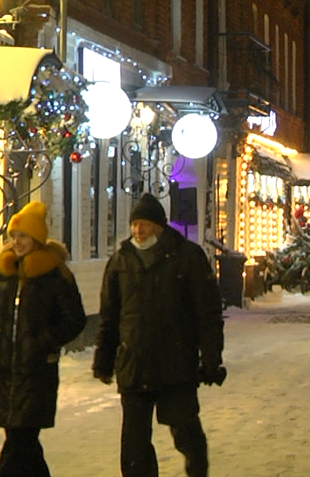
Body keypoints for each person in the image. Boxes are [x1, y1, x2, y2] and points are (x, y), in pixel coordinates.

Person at [93, 193, 225, 477]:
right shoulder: (120, 261)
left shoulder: (186, 257)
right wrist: (104, 360)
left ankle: (197, 467)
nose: (138, 231)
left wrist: (210, 356)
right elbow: (110, 316)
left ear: (159, 227)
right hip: (134, 363)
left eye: (144, 224)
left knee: (186, 431)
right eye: (135, 224)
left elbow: (207, 312)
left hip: (174, 364)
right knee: (134, 445)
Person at [0, 201, 86, 477]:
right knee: (22, 442)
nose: (16, 242)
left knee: (20, 439)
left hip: (36, 370)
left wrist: (44, 341)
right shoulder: (2, 270)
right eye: (13, 237)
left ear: (36, 238)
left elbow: (74, 318)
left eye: (22, 236)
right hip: (3, 370)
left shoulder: (53, 273)